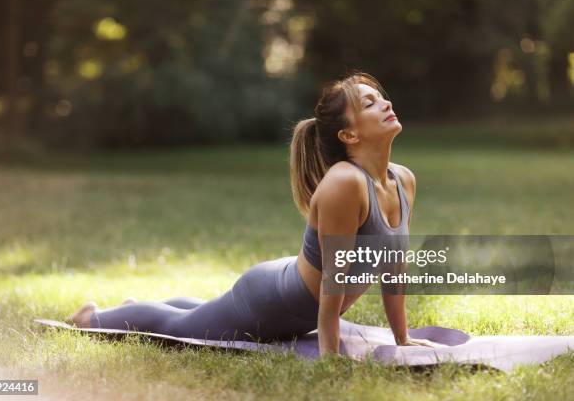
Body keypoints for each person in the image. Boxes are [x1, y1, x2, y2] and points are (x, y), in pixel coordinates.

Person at [67, 72, 440, 356]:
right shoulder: (346, 183)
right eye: (371, 104)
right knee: (179, 327)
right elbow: (332, 284)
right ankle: (90, 318)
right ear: (349, 136)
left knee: (208, 313)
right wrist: (331, 358)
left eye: (382, 98)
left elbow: (394, 270)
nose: (386, 104)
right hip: (273, 303)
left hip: (290, 294)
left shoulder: (403, 180)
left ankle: (136, 307)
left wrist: (403, 339)